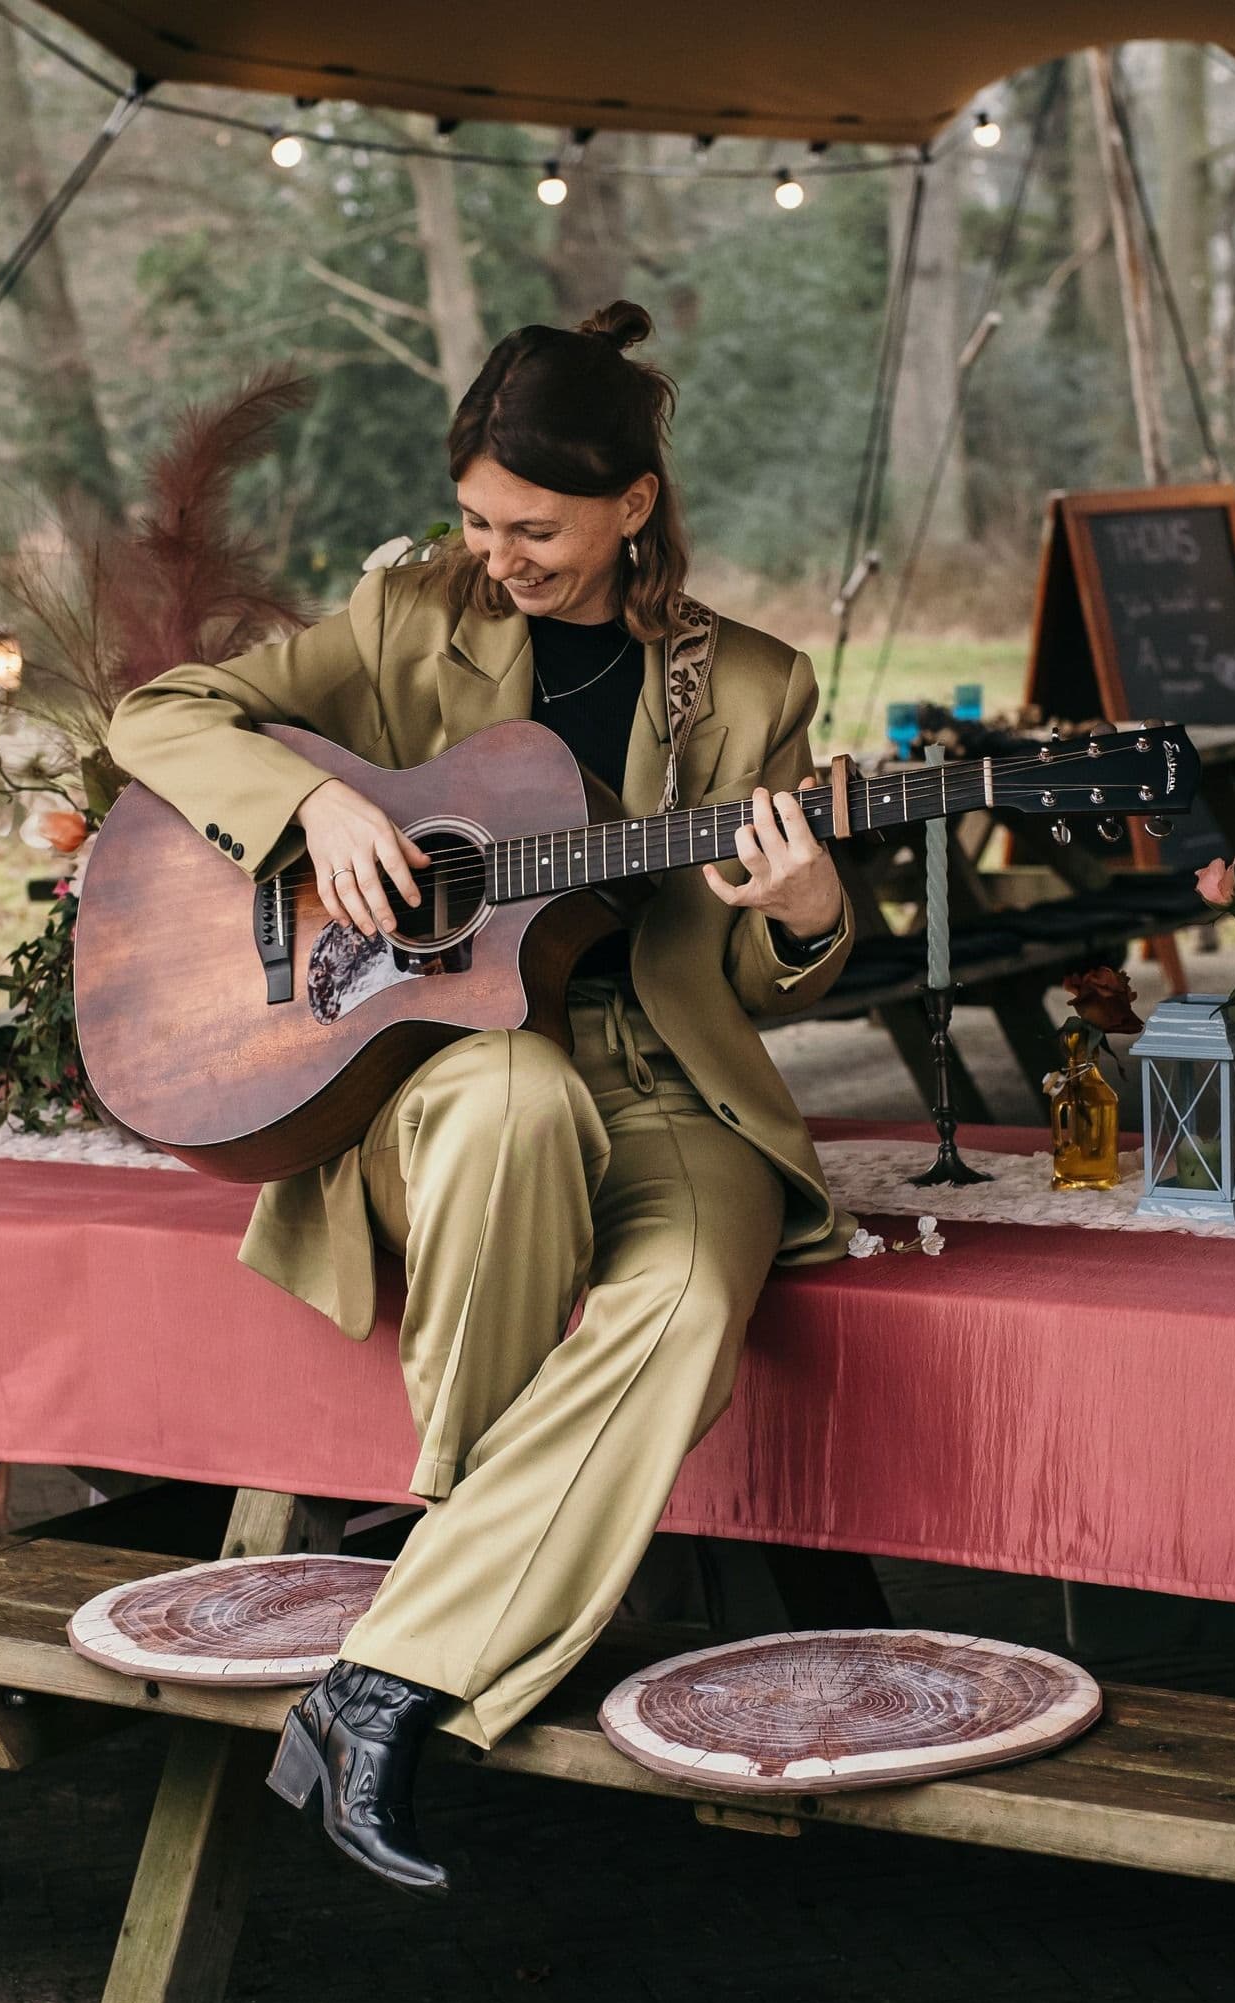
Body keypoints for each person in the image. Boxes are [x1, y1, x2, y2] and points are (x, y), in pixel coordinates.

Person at [107, 302, 855, 1893]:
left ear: (634, 505)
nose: (495, 555)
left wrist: (802, 914)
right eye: (475, 519)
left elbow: (755, 985)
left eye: (536, 527)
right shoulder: (401, 622)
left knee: (684, 1305)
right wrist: (310, 805)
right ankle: (476, 1601)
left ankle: (385, 1676)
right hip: (441, 1076)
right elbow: (156, 716)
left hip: (668, 1087)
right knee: (514, 1096)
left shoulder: (755, 690)